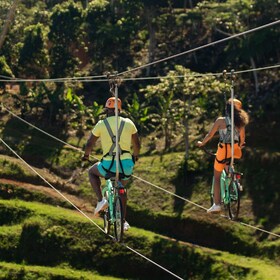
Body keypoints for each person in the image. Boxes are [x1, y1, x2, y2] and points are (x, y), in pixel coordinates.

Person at [82, 97, 141, 230]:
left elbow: (90, 143)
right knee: (122, 190)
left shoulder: (101, 124)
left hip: (108, 165)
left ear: (107, 110)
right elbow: (137, 144)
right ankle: (124, 221)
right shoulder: (129, 123)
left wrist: (86, 156)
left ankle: (100, 200)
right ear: (119, 110)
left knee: (92, 172)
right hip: (126, 166)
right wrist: (135, 156)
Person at [197, 98, 249, 213]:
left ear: (227, 109)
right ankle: (233, 179)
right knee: (229, 162)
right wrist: (239, 146)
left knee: (217, 176)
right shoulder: (240, 122)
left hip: (223, 150)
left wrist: (202, 143)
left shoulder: (221, 121)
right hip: (235, 151)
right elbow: (242, 138)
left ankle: (217, 204)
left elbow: (210, 135)